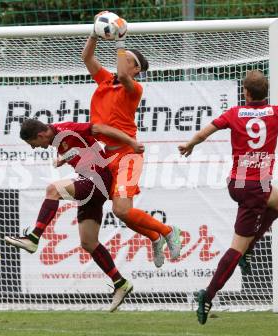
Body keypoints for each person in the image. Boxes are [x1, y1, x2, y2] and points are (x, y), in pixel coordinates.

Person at [178, 70, 278, 324]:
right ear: (265, 93)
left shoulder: (235, 113)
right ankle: (208, 294)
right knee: (237, 247)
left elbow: (205, 133)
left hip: (236, 182)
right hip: (255, 189)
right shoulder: (276, 113)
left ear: (246, 93)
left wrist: (190, 144)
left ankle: (246, 252)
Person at [5, 118, 144, 312]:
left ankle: (33, 238)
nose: (34, 148)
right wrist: (65, 157)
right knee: (88, 242)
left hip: (96, 180)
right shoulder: (56, 139)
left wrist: (131, 142)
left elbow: (98, 128)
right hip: (91, 186)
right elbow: (82, 146)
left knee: (53, 189)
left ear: (40, 135)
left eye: (33, 144)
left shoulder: (66, 129)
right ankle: (120, 283)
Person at [81, 12, 181, 268]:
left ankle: (168, 231)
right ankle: (154, 236)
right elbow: (87, 58)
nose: (124, 62)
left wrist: (119, 42)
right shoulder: (105, 80)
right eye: (123, 58)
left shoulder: (133, 87)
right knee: (124, 214)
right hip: (109, 155)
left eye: (129, 61)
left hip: (127, 154)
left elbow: (123, 76)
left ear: (136, 69)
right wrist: (94, 33)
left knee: (121, 210)